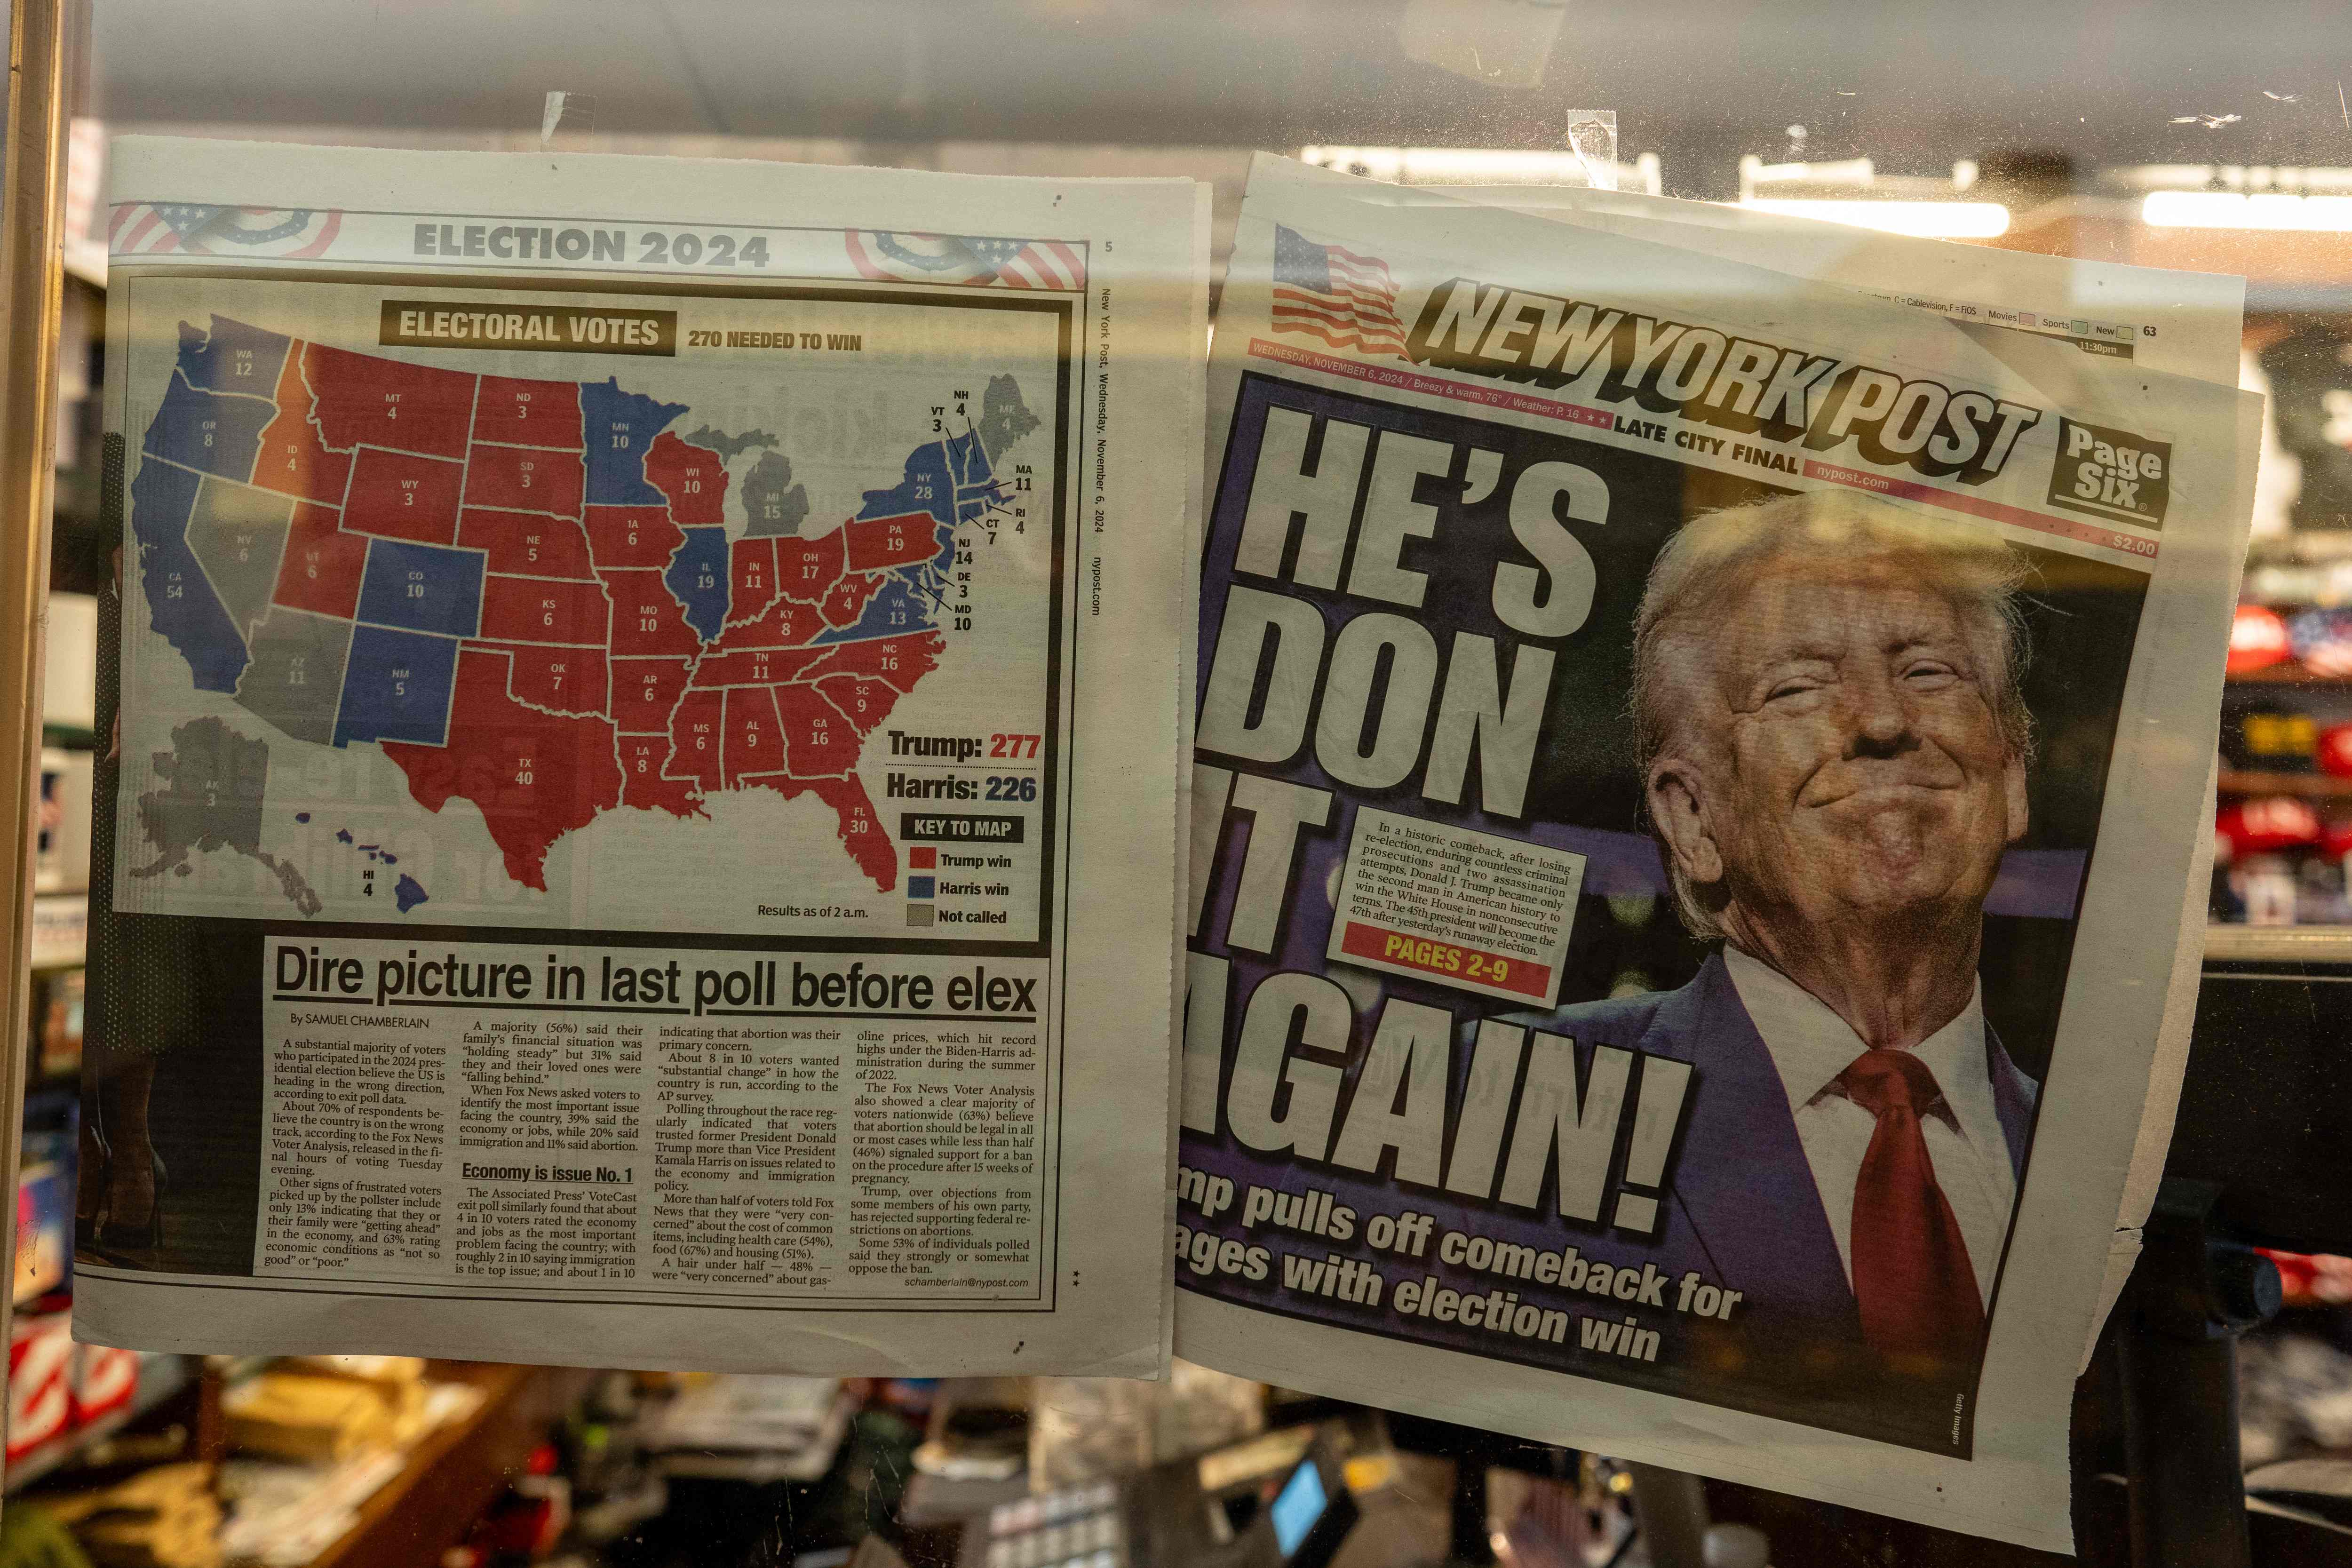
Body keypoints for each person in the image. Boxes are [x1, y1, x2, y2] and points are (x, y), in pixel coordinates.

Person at [1530, 489, 2038, 1383]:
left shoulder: (2089, 1160)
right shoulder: (1526, 1106)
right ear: (1694, 820)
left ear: (2013, 773)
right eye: (1797, 687)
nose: (1883, 722)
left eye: (1930, 671)